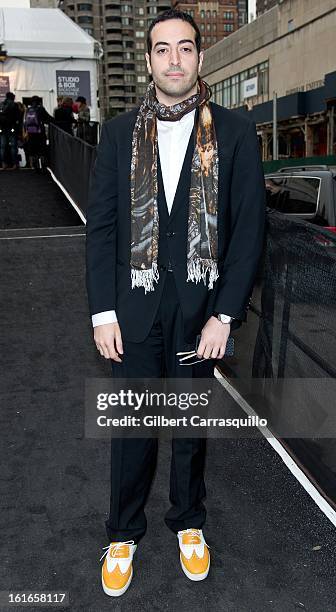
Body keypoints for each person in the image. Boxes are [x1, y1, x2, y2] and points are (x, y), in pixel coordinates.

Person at [86, 9, 266, 598]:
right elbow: (104, 230)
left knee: (190, 428)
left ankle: (189, 523)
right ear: (147, 61)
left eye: (184, 48)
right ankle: (123, 532)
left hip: (200, 314)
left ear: (199, 56)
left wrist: (225, 314)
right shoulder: (115, 134)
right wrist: (102, 312)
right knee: (134, 428)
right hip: (132, 310)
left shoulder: (237, 133)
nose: (173, 59)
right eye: (161, 49)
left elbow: (247, 235)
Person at [24, 96, 54, 170]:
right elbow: (48, 118)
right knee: (41, 149)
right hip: (40, 132)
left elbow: (25, 121)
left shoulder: (28, 110)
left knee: (33, 149)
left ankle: (35, 165)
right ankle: (43, 166)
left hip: (31, 132)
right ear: (39, 102)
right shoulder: (41, 109)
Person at [0, 92, 21, 170]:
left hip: (2, 129)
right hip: (12, 128)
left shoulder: (1, 104)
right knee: (13, 147)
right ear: (12, 97)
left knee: (2, 147)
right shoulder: (14, 105)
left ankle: (3, 164)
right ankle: (15, 164)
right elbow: (18, 117)